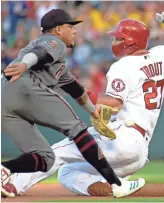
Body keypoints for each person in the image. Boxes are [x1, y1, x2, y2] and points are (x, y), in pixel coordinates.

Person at [4, 15, 164, 198]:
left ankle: (13, 185)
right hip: (140, 154)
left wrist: (81, 93)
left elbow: (115, 104)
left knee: (58, 151)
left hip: (121, 138)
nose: (114, 41)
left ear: (131, 43)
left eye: (119, 38)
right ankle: (117, 187)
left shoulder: (124, 66)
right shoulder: (160, 56)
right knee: (67, 173)